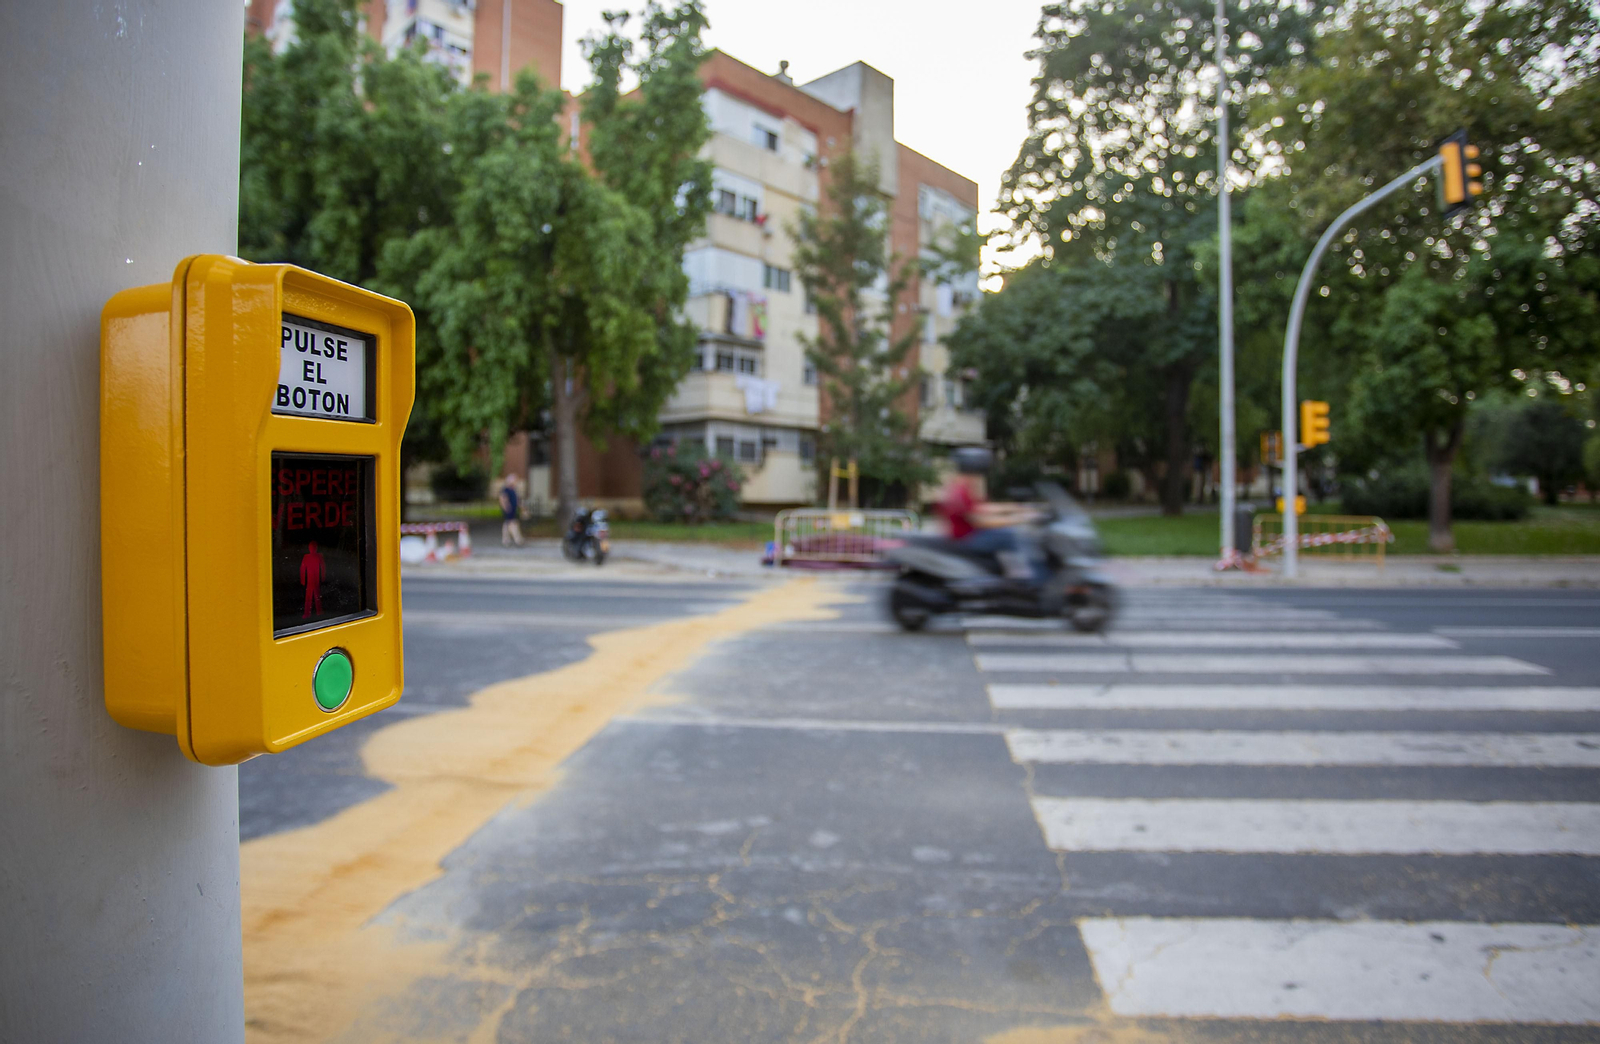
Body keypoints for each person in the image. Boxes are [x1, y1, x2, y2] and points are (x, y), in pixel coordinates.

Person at [936, 447, 1045, 582]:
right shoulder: (961, 491)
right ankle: (1034, 581)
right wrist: (1019, 519)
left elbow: (981, 508)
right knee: (1012, 535)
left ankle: (1009, 575)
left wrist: (1018, 508)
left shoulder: (961, 485)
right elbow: (981, 521)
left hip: (968, 535)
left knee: (1008, 534)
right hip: (967, 539)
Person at [498, 474, 524, 547]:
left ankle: (506, 540)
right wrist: (506, 507)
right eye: (515, 480)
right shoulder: (505, 489)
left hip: (513, 509)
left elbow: (517, 500)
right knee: (513, 524)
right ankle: (518, 540)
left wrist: (521, 507)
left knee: (507, 524)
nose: (516, 482)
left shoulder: (513, 489)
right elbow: (502, 499)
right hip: (509, 509)